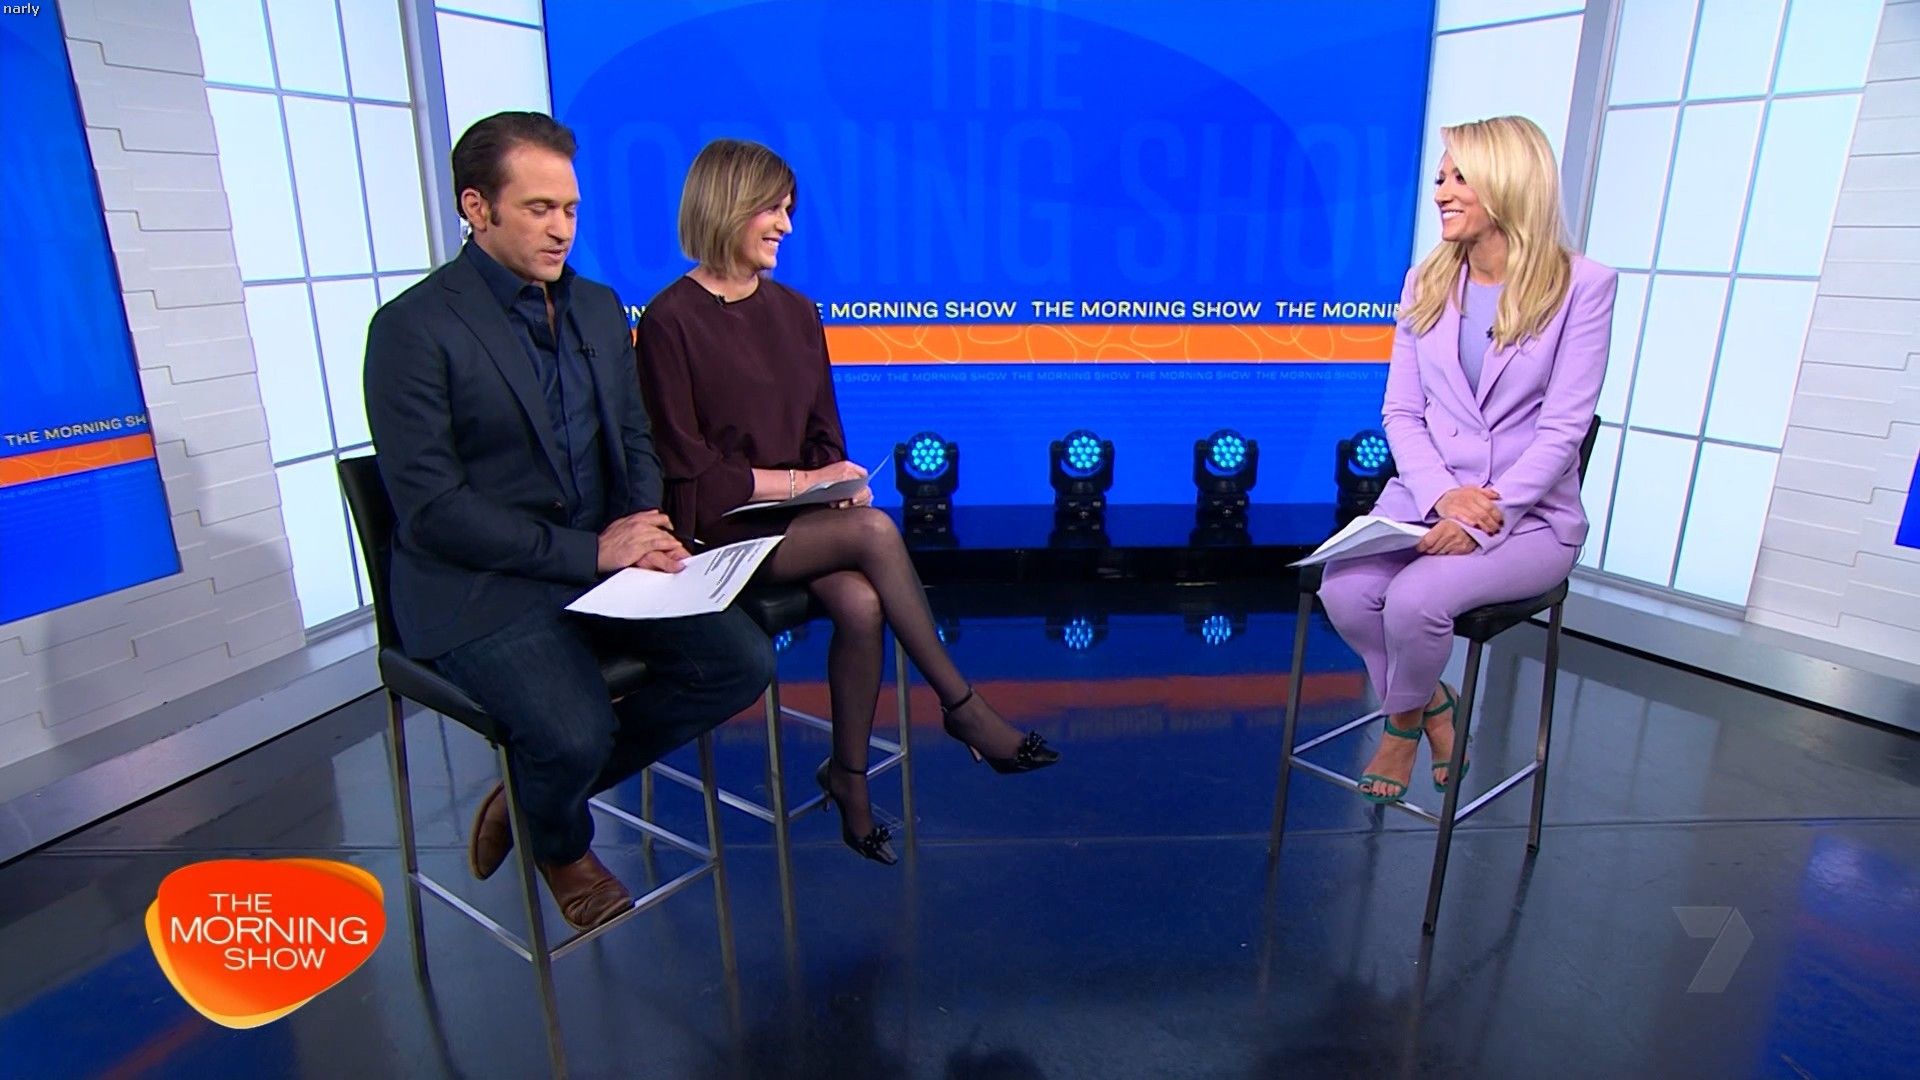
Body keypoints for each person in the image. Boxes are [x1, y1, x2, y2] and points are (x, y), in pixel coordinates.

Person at [363, 113, 774, 930]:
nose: (561, 229)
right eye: (538, 209)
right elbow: (434, 510)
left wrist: (645, 523)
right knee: (573, 731)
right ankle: (560, 839)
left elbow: (634, 437)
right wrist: (594, 551)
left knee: (740, 662)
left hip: (601, 561)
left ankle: (530, 793)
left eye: (571, 210)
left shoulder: (594, 306)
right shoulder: (412, 329)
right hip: (480, 584)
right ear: (476, 208)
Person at [635, 138, 1059, 865]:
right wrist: (805, 487)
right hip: (717, 530)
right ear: (727, 204)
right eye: (772, 209)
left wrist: (837, 481)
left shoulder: (797, 311)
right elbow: (691, 471)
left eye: (789, 210)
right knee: (873, 534)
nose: (786, 226)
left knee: (862, 604)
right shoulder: (669, 321)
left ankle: (849, 779)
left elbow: (823, 430)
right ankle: (963, 707)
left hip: (801, 520)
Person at [1318, 115, 1614, 804]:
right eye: (1440, 178)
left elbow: (1563, 430)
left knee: (1415, 599)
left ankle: (1399, 727)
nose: (1441, 192)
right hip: (1427, 499)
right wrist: (1440, 497)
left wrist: (1481, 518)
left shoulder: (1583, 286)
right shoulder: (1426, 279)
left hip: (1529, 518)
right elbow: (1401, 412)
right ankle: (1434, 706)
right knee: (1346, 591)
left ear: (1508, 182)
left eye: (1460, 178)